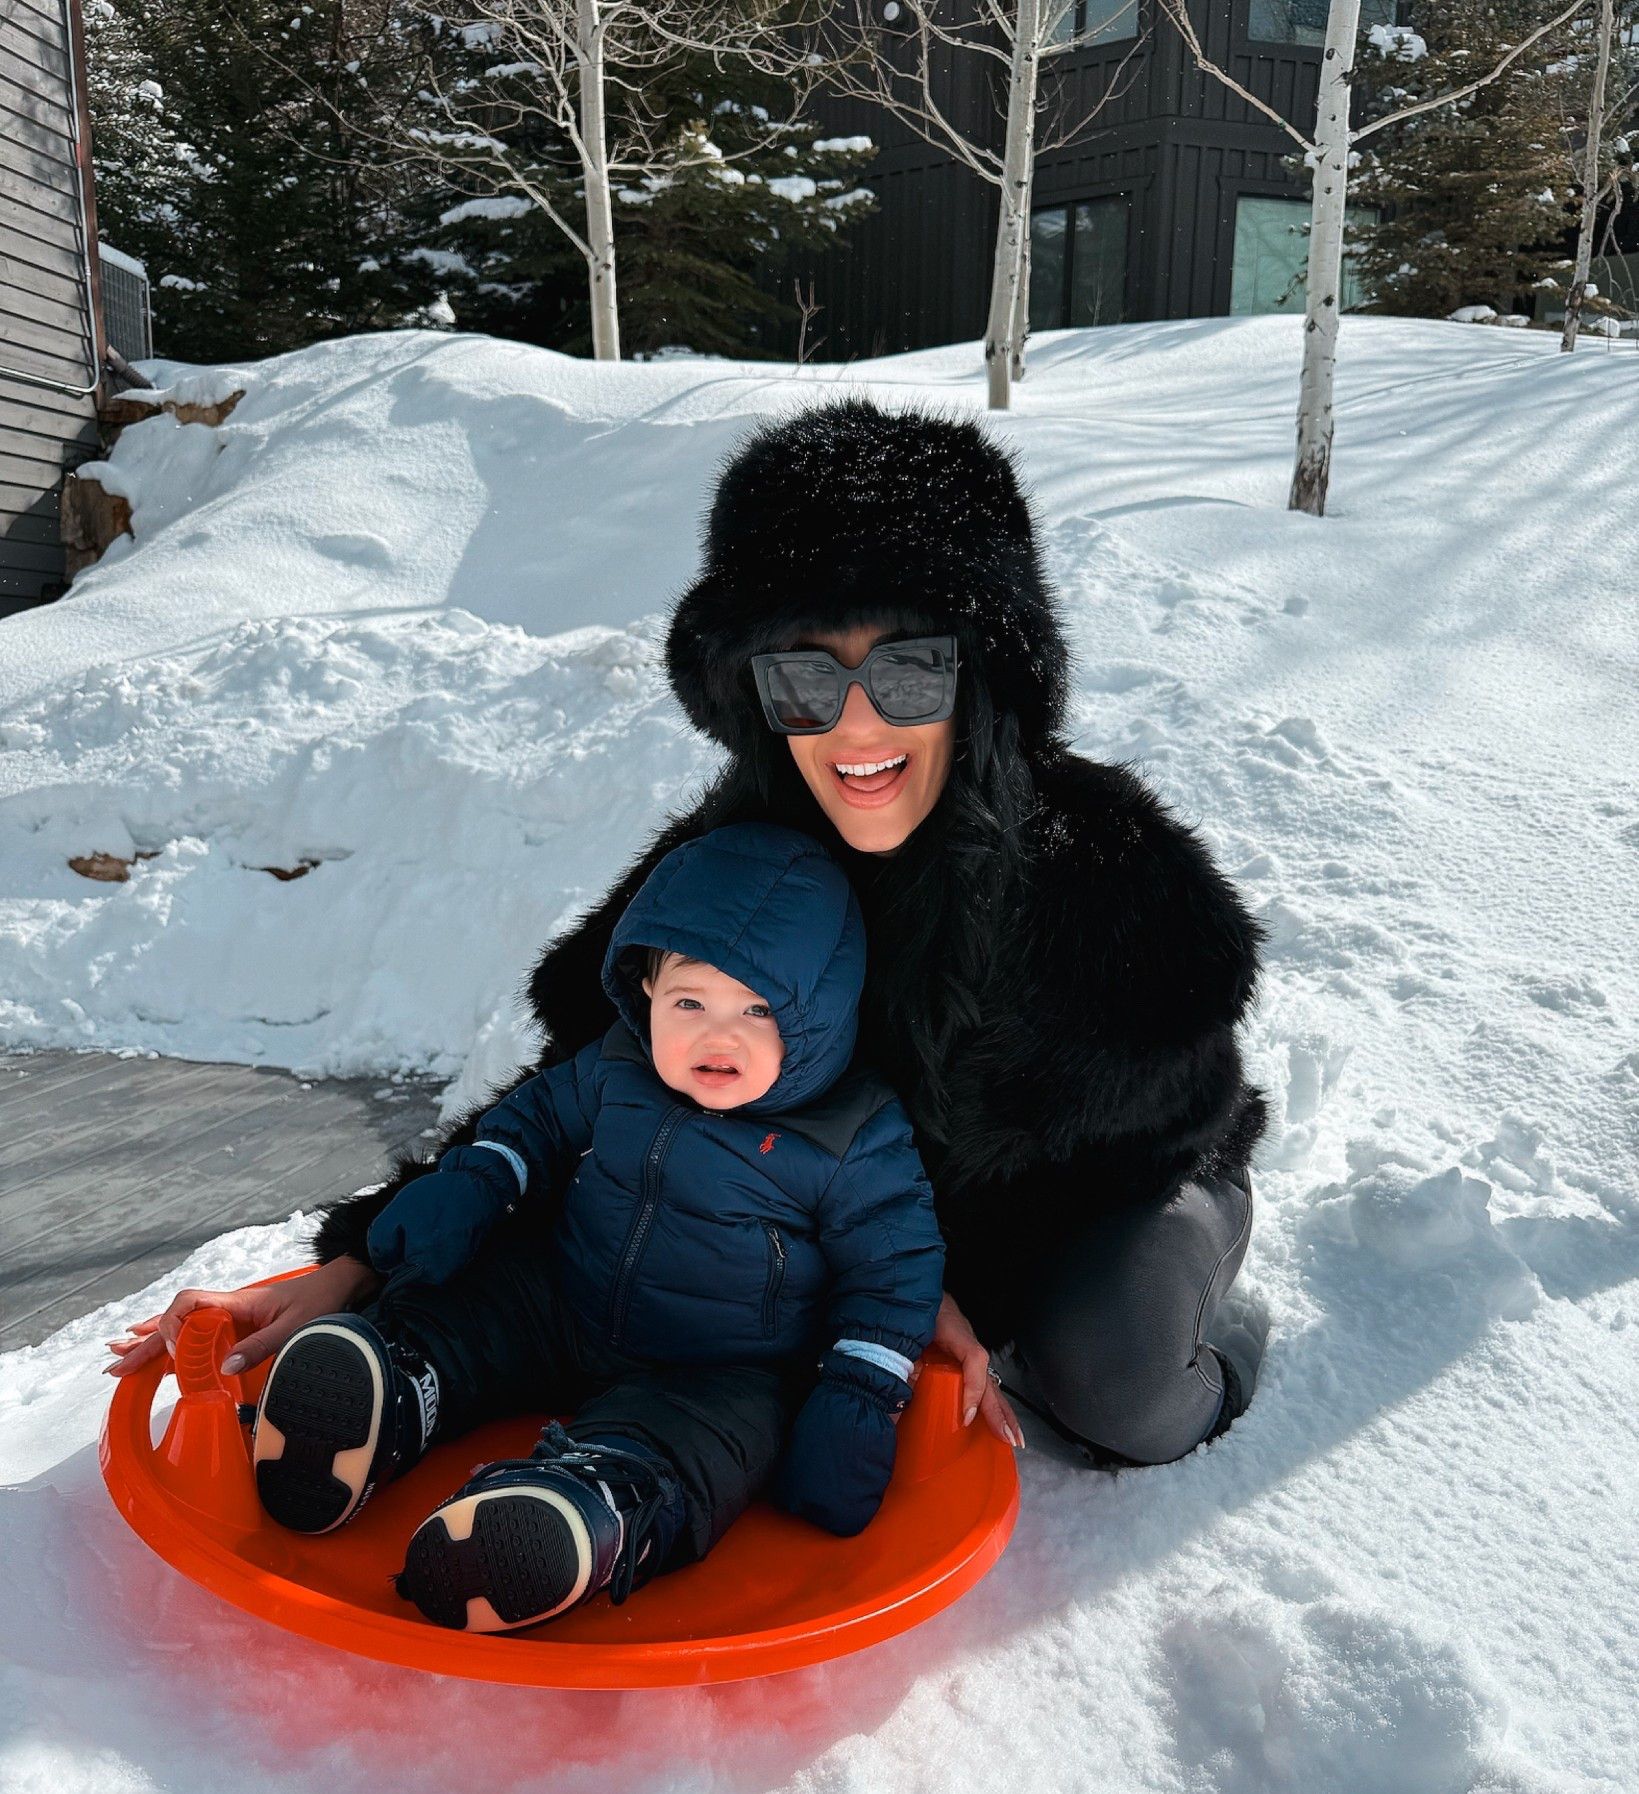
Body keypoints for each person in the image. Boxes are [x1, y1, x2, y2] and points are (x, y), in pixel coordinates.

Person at [112, 397, 1266, 1474]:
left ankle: (1216, 1342)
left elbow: (1150, 1120)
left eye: (910, 669)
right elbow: (592, 1084)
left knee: (1107, 1379)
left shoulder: (1101, 872)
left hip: (1125, 1185)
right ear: (753, 692)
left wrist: (933, 1285)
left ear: (985, 678)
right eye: (807, 679)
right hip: (858, 1214)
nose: (858, 725)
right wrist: (364, 1261)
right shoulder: (735, 857)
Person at [243, 823, 944, 1633]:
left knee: (708, 1443)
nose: (717, 1035)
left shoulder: (852, 1133)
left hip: (724, 1366)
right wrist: (472, 1182)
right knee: (469, 1305)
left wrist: (858, 1396)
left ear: (818, 1010)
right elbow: (534, 1122)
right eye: (690, 1002)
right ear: (645, 992)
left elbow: (892, 1272)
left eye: (757, 1008)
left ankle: (590, 1507)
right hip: (566, 1297)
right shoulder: (619, 1062)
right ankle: (396, 1390)